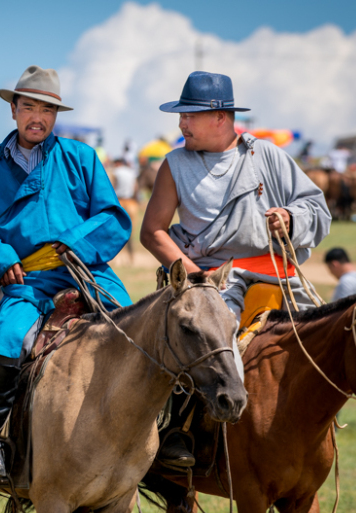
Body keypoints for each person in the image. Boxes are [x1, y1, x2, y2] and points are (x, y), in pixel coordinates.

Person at [140, 70, 330, 466]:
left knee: (325, 344)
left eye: (189, 115)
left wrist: (292, 219)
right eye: (181, 116)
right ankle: (181, 429)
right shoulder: (174, 164)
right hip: (209, 276)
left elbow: (318, 209)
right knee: (199, 337)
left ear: (220, 118)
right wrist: (196, 278)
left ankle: (314, 432)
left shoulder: (268, 156)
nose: (181, 123)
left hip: (278, 275)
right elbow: (153, 231)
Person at [0, 65, 133, 478]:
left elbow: (112, 216)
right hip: (28, 281)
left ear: (56, 116)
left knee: (135, 328)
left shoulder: (81, 158)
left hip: (86, 271)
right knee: (7, 340)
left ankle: (152, 436)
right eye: (29, 107)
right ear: (13, 110)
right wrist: (0, 258)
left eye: (48, 110)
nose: (38, 117)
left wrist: (75, 242)